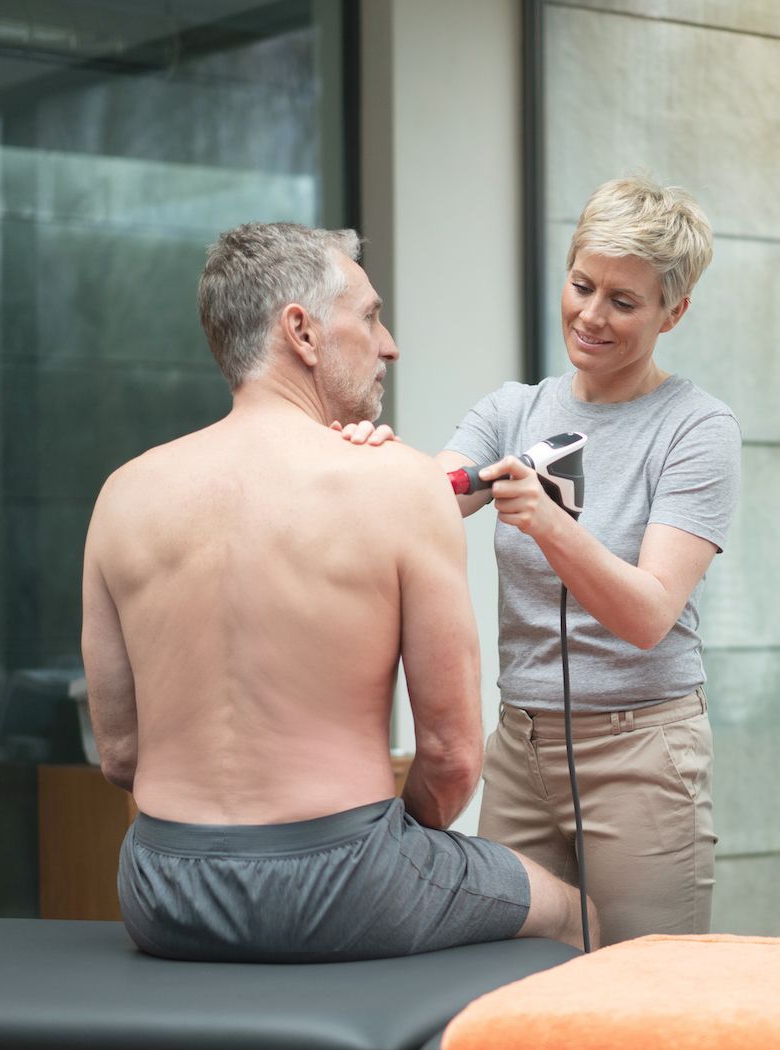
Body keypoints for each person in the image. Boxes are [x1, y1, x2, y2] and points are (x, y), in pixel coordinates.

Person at [80, 221, 593, 968]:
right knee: (579, 913)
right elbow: (451, 760)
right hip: (343, 879)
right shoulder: (401, 485)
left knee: (235, 1030)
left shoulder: (123, 494)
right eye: (371, 315)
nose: (388, 345)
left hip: (161, 888)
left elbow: (121, 756)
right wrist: (393, 849)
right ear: (303, 332)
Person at [437, 176, 740, 945]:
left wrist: (549, 523)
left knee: (645, 997)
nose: (591, 316)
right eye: (581, 286)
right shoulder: (512, 411)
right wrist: (356, 461)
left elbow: (647, 615)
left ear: (674, 311)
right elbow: (426, 497)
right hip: (522, 747)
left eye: (624, 302)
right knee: (509, 985)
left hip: (641, 752)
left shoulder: (695, 430)